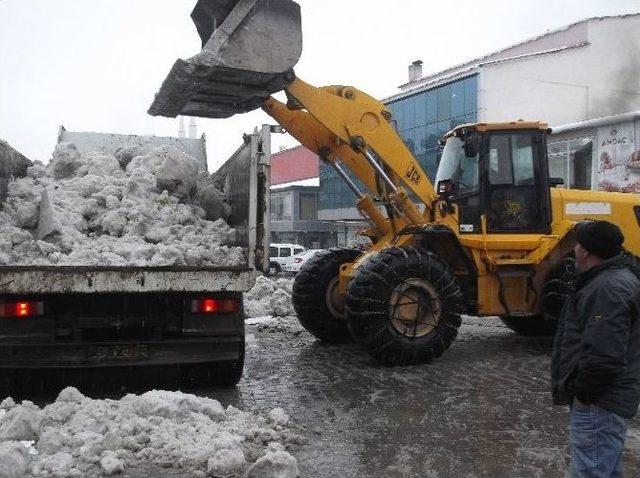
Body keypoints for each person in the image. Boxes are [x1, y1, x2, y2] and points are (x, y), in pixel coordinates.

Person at [551, 220, 640, 477]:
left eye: (577, 244)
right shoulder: (609, 281)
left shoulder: (608, 288)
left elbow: (605, 354)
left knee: (590, 471)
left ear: (587, 251)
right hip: (606, 400)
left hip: (600, 402)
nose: (575, 248)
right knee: (606, 470)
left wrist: (585, 393)